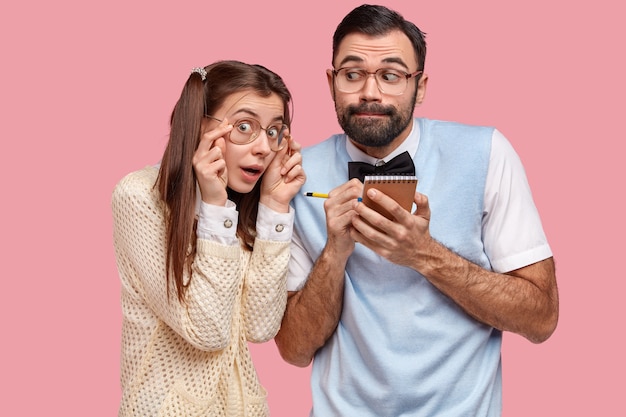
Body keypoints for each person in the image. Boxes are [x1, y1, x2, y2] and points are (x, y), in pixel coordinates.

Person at [274, 5, 559, 416]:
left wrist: (424, 255)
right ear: (331, 82)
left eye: (390, 75)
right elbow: (294, 350)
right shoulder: (296, 177)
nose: (370, 92)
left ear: (420, 86)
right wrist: (335, 252)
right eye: (352, 74)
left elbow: (542, 317)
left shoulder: (488, 153)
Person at [111, 60, 305, 417]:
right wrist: (215, 207)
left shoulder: (240, 208)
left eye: (275, 131)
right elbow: (207, 331)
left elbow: (260, 327)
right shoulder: (139, 197)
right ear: (201, 126)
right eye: (245, 127)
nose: (264, 147)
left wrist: (275, 207)